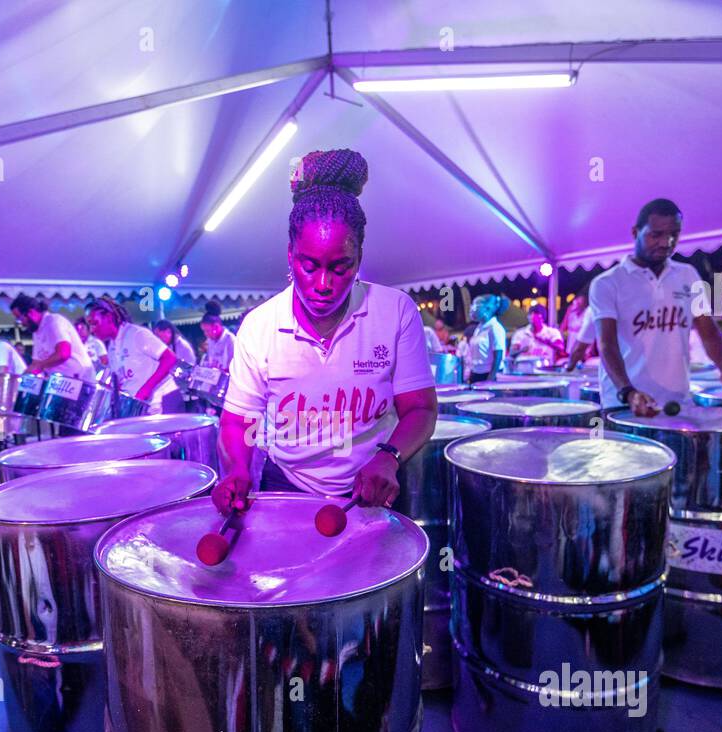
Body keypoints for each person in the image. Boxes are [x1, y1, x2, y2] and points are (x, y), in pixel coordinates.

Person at [212, 147, 437, 511]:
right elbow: (238, 422)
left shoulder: (396, 311)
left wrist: (389, 457)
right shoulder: (259, 326)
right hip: (287, 486)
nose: (322, 284)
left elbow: (421, 409)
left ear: (360, 258)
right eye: (309, 265)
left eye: (340, 267)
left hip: (372, 487)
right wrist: (237, 470)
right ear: (290, 255)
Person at [588, 198, 722, 415]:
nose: (666, 242)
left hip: (677, 403)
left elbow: (709, 331)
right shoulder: (607, 283)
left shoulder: (688, 275)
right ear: (635, 233)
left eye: (674, 234)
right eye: (656, 235)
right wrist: (628, 392)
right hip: (625, 404)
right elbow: (607, 344)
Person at [85, 299, 179, 413]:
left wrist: (144, 391)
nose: (92, 330)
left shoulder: (136, 334)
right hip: (144, 406)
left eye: (94, 323)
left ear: (109, 317)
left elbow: (170, 359)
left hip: (164, 399)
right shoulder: (111, 347)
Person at [12, 294, 95, 384]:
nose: (21, 323)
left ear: (31, 313)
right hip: (62, 384)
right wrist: (19, 379)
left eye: (19, 318)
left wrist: (41, 366)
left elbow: (63, 353)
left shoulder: (53, 321)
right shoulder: (37, 332)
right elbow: (36, 363)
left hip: (80, 382)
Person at [468, 294, 508, 383]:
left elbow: (498, 356)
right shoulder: (479, 328)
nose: (472, 309)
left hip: (489, 375)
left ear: (487, 308)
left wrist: (489, 380)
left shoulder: (495, 328)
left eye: (476, 305)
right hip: (476, 374)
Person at [199, 304, 237, 372]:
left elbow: (234, 368)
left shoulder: (231, 340)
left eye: (207, 331)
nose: (205, 334)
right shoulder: (209, 341)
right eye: (204, 331)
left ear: (216, 327)